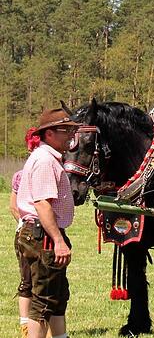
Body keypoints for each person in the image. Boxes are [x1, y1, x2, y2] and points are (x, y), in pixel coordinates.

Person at [15, 108, 80, 338]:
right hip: (44, 236)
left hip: (40, 234)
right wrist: (58, 240)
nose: (71, 136)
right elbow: (42, 204)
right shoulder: (45, 161)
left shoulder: (47, 158)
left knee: (57, 296)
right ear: (49, 133)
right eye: (66, 130)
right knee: (43, 302)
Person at [10, 127, 42, 338]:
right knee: (35, 283)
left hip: (23, 229)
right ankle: (30, 327)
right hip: (35, 230)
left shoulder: (20, 174)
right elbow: (13, 206)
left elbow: (14, 207)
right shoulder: (28, 173)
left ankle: (27, 326)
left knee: (27, 281)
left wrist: (22, 223)